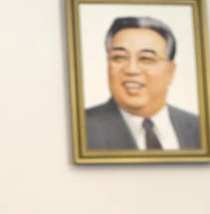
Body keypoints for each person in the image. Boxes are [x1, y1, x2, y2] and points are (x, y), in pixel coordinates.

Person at [85, 16, 200, 150]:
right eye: (119, 57)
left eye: (146, 59)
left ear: (171, 71)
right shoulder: (82, 127)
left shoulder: (198, 127)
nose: (131, 70)